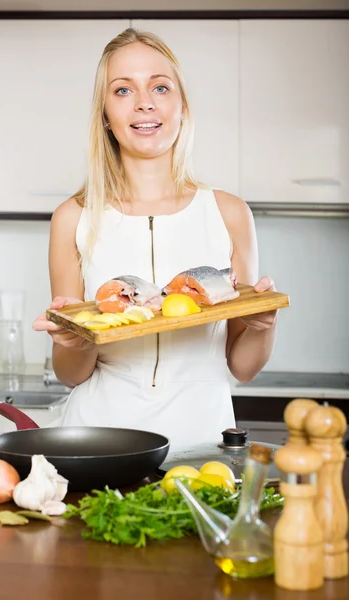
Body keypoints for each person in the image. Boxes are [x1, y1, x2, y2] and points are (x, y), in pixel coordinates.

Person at [32, 28, 278, 454]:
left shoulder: (229, 212)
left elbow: (242, 366)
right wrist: (73, 340)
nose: (144, 102)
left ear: (181, 106)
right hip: (99, 443)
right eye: (123, 90)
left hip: (202, 441)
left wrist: (262, 327)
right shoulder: (72, 218)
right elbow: (72, 374)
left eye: (160, 87)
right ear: (105, 114)